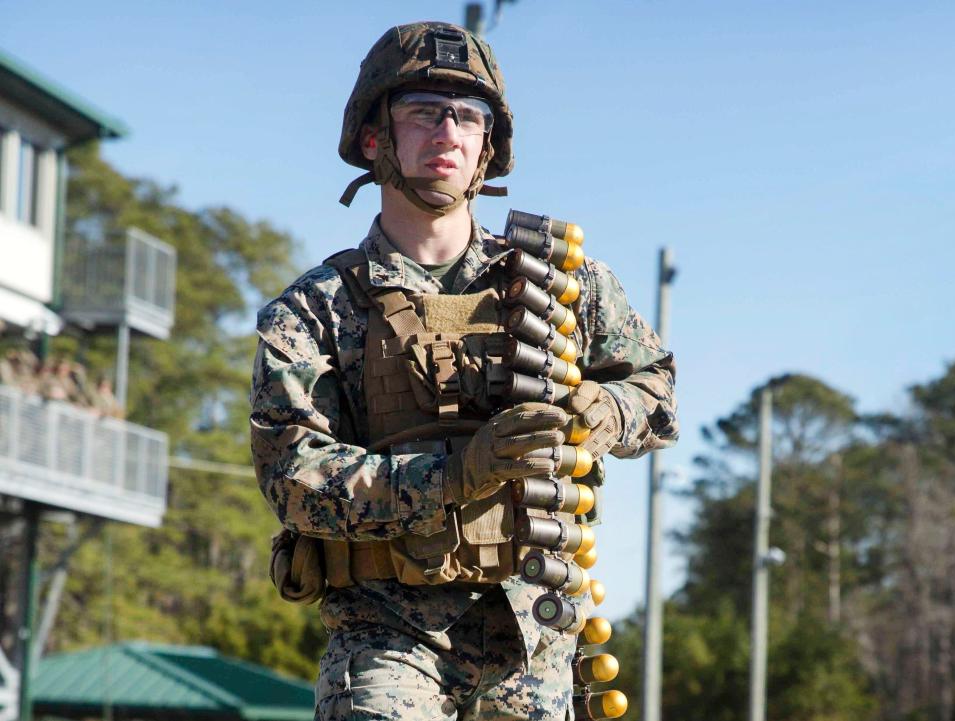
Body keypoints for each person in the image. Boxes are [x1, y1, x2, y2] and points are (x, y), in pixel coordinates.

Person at [250, 22, 678, 721]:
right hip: (389, 637)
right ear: (373, 138)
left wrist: (606, 408)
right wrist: (452, 474)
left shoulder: (562, 283)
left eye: (468, 115)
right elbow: (294, 477)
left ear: (488, 147)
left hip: (536, 634)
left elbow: (658, 390)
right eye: (423, 110)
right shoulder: (313, 310)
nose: (448, 129)